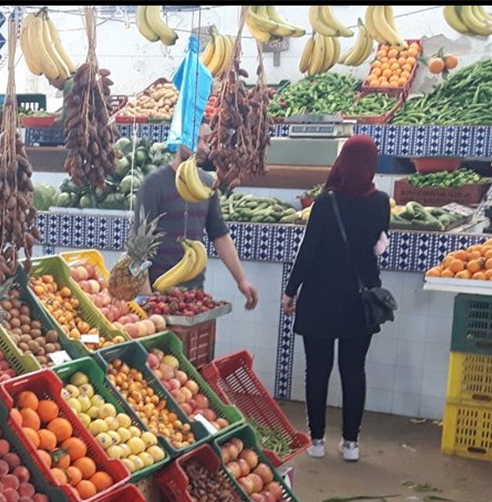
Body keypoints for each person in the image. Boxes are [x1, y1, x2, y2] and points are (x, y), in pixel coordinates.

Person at [282, 135, 391, 463]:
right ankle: (351, 444)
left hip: (320, 297)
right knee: (353, 370)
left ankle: (316, 441)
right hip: (360, 299)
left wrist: (291, 291)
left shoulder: (326, 202)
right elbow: (379, 245)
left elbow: (308, 251)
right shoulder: (382, 201)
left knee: (317, 369)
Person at [133, 121, 258, 309]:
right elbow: (139, 246)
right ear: (179, 139)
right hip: (157, 294)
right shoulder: (154, 184)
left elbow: (220, 235)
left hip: (194, 294)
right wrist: (146, 298)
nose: (202, 147)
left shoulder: (207, 184)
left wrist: (242, 280)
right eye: (195, 140)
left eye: (206, 141)